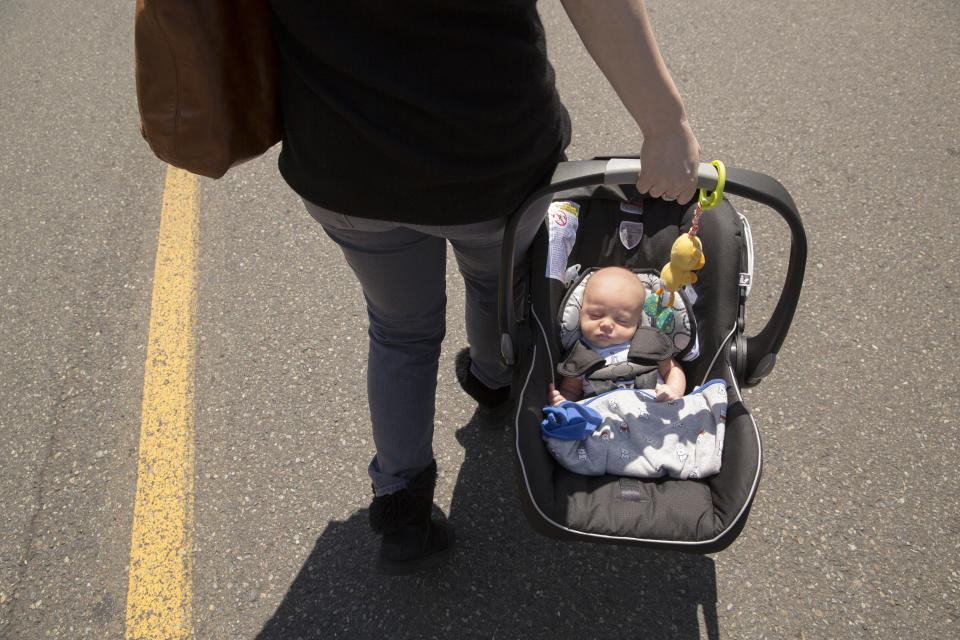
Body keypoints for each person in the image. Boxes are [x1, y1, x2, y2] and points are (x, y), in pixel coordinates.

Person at [267, 0, 700, 574]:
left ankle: (401, 509)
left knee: (399, 330)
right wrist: (665, 125)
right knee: (495, 290)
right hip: (487, 158)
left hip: (342, 157)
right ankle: (493, 380)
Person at [549, 267, 686, 407]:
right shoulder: (578, 355)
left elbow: (672, 370)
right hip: (605, 419)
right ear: (581, 312)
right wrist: (563, 402)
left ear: (637, 322)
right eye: (596, 315)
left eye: (621, 320)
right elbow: (571, 390)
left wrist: (674, 389)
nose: (607, 324)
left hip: (654, 409)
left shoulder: (649, 343)